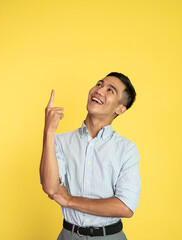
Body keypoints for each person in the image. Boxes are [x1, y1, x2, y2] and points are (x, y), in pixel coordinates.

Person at [40, 72, 141, 240]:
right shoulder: (60, 141)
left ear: (120, 108)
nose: (99, 90)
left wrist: (70, 201)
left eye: (110, 90)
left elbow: (125, 207)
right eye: (99, 84)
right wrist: (49, 131)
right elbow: (51, 188)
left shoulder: (126, 149)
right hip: (68, 236)